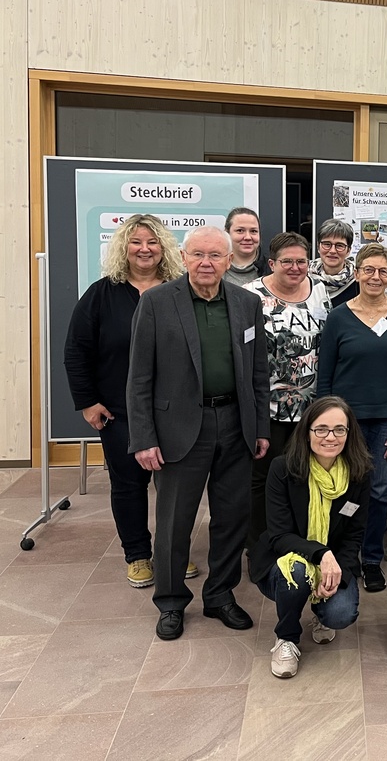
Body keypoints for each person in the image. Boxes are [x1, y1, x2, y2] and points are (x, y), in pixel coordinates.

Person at [127, 226, 270, 641]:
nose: (206, 263)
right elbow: (138, 377)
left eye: (215, 256)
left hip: (234, 422)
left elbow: (258, 372)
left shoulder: (246, 303)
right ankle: (171, 601)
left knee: (231, 518)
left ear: (229, 261)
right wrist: (143, 437)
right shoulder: (156, 302)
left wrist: (259, 426)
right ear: (184, 258)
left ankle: (220, 595)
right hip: (178, 428)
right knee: (175, 522)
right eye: (198, 255)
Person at [64, 214, 195, 588]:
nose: (145, 249)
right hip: (119, 413)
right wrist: (87, 402)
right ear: (123, 247)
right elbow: (76, 351)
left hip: (173, 410)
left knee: (173, 487)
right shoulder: (101, 294)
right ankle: (138, 554)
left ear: (164, 248)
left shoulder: (179, 291)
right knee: (128, 485)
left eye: (152, 242)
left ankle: (172, 552)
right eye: (136, 242)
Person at [317, 243, 387, 594]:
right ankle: (339, 558)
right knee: (338, 489)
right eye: (369, 270)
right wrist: (323, 425)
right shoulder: (338, 317)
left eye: (382, 271)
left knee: (377, 492)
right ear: (357, 272)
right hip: (344, 423)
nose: (375, 277)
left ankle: (372, 559)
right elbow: (325, 376)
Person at [250, 396, 370, 678]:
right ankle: (286, 638)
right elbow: (279, 535)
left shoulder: (360, 473)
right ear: (307, 432)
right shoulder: (283, 468)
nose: (331, 436)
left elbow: (354, 534)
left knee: (340, 614)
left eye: (339, 429)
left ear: (349, 434)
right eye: (321, 429)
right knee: (297, 573)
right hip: (283, 559)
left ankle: (320, 610)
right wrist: (322, 555)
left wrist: (336, 569)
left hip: (335, 558)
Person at [242, 232, 332, 547]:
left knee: (304, 477)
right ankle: (259, 546)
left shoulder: (320, 291)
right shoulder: (250, 295)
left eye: (301, 261)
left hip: (311, 410)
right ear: (271, 263)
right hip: (266, 408)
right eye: (287, 262)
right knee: (262, 480)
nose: (295, 268)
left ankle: (298, 541)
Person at [310, 218, 355, 307]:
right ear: (318, 247)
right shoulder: (304, 278)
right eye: (327, 244)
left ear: (348, 250)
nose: (332, 251)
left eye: (339, 245)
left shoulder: (359, 281)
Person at [224, 207, 264, 286]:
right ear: (227, 233)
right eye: (240, 231)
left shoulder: (272, 270)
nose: (248, 237)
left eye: (253, 231)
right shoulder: (215, 268)